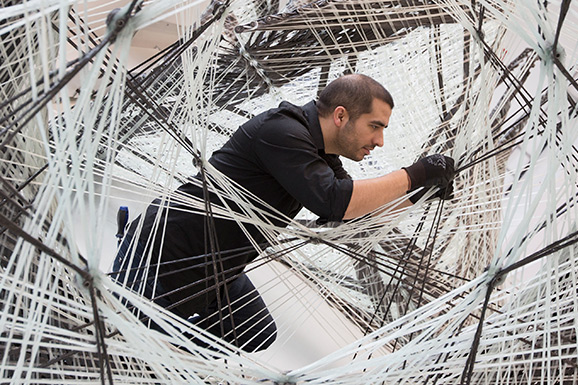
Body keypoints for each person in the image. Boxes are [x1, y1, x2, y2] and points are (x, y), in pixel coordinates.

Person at [112, 74, 455, 352]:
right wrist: (415, 174)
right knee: (136, 351)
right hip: (161, 261)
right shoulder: (282, 132)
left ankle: (176, 357)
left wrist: (419, 194)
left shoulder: (320, 155)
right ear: (340, 115)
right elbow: (334, 200)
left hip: (216, 271)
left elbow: (350, 215)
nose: (379, 141)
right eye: (375, 126)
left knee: (254, 331)